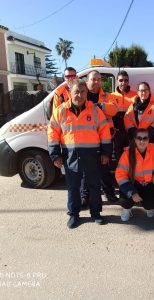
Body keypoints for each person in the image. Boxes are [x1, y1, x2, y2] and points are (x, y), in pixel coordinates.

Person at [47, 79, 112, 228]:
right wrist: (55, 154)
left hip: (92, 155)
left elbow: (105, 133)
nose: (80, 95)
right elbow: (52, 134)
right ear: (70, 92)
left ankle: (96, 213)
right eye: (76, 91)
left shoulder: (95, 110)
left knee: (94, 186)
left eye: (83, 92)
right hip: (70, 155)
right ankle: (73, 214)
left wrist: (106, 153)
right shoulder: (60, 111)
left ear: (87, 93)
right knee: (73, 187)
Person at [82, 70, 118, 204]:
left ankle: (109, 194)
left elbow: (113, 109)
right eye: (93, 79)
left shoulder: (107, 96)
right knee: (86, 170)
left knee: (105, 168)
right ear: (87, 81)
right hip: (86, 139)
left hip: (105, 138)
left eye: (98, 79)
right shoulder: (82, 95)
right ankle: (85, 196)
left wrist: (98, 106)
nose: (96, 81)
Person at [115, 128, 154, 221]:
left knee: (151, 204)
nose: (142, 141)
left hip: (149, 183)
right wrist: (132, 192)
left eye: (145, 138)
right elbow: (120, 175)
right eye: (139, 138)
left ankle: (150, 208)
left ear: (149, 139)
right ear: (135, 139)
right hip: (133, 183)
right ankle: (126, 209)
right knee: (125, 201)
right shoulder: (127, 153)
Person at [110, 70, 137, 161]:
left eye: (126, 80)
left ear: (128, 81)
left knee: (132, 157)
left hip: (131, 132)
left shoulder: (135, 95)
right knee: (119, 158)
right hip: (117, 133)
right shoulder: (111, 96)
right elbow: (108, 115)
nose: (123, 83)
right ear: (117, 81)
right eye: (121, 80)